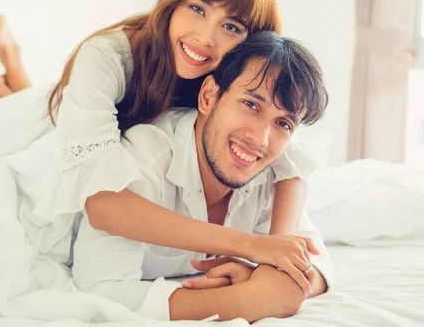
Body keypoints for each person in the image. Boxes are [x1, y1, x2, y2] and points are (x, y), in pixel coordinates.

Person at [0, 0, 320, 295]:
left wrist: (277, 255)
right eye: (198, 8)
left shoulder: (235, 83)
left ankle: (5, 66)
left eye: (232, 27)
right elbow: (102, 201)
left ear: (253, 40)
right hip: (49, 132)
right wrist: (251, 246)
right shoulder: (111, 55)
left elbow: (289, 154)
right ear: (174, 1)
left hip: (90, 130)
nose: (207, 38)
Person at [72, 31, 332, 322]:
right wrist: (253, 297)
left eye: (283, 122)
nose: (260, 138)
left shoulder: (275, 173)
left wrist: (264, 275)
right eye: (251, 104)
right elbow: (101, 292)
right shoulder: (145, 157)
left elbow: (316, 259)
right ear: (209, 96)